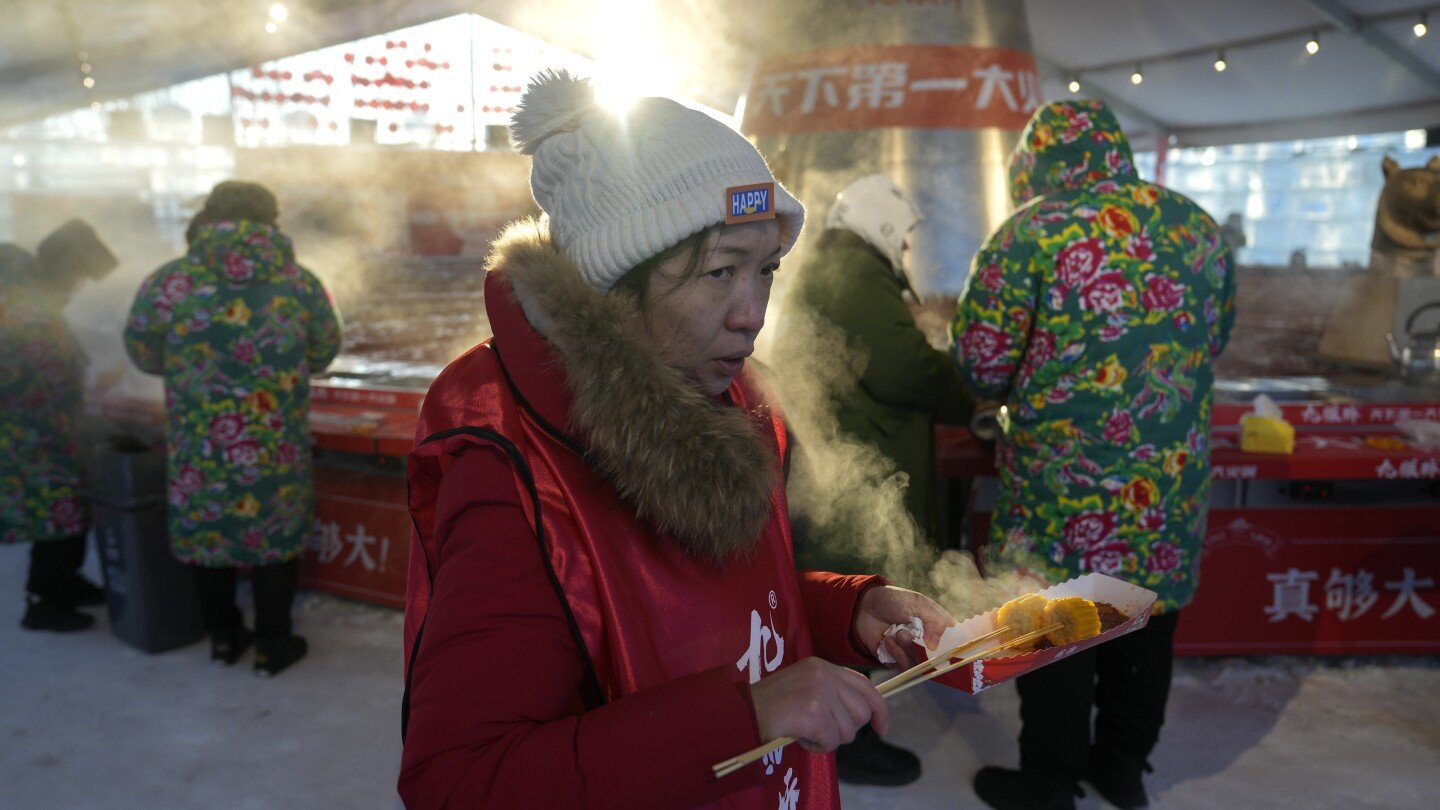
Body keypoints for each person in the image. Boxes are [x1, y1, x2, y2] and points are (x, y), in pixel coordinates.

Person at [398, 70, 957, 808]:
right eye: (720, 271)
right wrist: (745, 717)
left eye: (766, 271)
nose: (752, 315)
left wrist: (842, 610)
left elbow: (713, 610)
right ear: (614, 287)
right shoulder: (516, 468)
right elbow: (461, 779)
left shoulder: (733, 398)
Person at [949, 100, 1235, 810]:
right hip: (1168, 486)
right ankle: (1121, 770)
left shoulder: (1028, 236)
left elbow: (981, 363)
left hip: (1061, 489)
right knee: (1147, 623)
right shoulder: (1196, 228)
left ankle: (1047, 783)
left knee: (1060, 625)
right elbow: (1215, 335)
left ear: (1034, 160)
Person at [783, 174, 974, 785]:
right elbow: (901, 371)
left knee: (844, 595)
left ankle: (841, 730)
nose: (909, 251)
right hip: (852, 466)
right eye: (907, 237)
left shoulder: (834, 268)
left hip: (837, 456)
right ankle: (846, 743)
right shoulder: (858, 275)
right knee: (851, 596)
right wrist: (964, 386)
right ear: (885, 227)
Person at [124, 181, 342, 676]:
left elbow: (141, 348)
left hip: (199, 438)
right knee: (274, 533)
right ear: (271, 220)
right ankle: (272, 644)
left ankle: (223, 639)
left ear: (207, 216)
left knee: (208, 529)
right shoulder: (300, 283)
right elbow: (325, 350)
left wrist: (188, 372)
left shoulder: (169, 283)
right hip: (274, 439)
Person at [1, 220, 118, 631]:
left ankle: (65, 582)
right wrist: (88, 375)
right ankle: (43, 600)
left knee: (64, 507)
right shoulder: (24, 304)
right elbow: (42, 368)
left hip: (43, 424)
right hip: (28, 430)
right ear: (65, 266)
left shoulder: (27, 292)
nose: (81, 287)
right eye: (81, 276)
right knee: (54, 510)